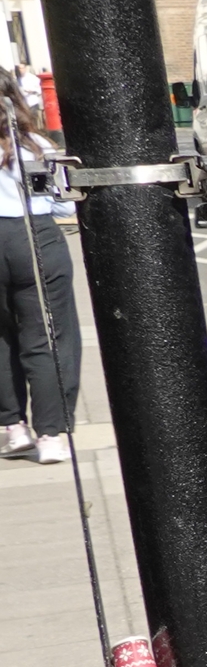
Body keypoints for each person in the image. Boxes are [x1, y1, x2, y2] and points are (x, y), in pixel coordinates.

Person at [0, 87, 76, 464]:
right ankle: (50, 434)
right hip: (34, 235)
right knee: (46, 336)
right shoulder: (36, 146)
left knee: (1, 335)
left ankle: (13, 428)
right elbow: (62, 202)